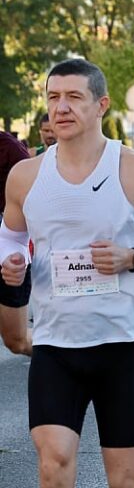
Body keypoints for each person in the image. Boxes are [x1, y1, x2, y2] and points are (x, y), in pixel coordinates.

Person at [1, 58, 134, 486]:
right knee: (53, 462)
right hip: (55, 341)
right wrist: (11, 262)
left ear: (101, 104)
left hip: (121, 341)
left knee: (125, 477)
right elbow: (11, 237)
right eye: (54, 97)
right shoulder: (25, 175)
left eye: (74, 97)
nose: (62, 108)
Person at [0, 131, 32, 355]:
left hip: (8, 247)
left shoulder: (9, 148)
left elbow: (37, 195)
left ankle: (71, 362)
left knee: (16, 340)